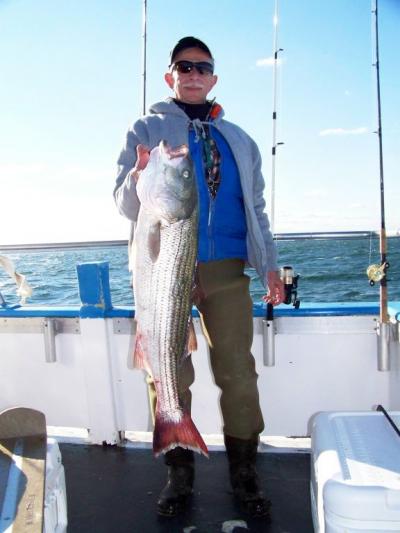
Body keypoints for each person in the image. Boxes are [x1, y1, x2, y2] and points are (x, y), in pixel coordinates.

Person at [114, 36, 284, 518]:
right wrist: (138, 175)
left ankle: (245, 473)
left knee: (237, 370)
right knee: (166, 367)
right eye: (183, 66)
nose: (192, 74)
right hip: (161, 262)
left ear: (213, 78)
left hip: (227, 266)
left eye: (201, 67)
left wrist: (268, 263)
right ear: (170, 76)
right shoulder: (146, 129)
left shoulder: (242, 140)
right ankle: (178, 471)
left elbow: (257, 210)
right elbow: (125, 204)